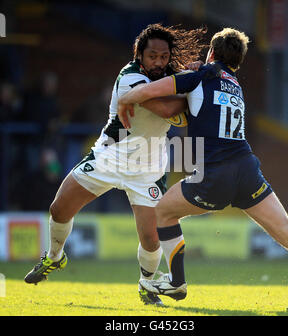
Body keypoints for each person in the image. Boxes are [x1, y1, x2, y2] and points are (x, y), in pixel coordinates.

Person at [24, 23, 208, 306]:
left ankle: (147, 284)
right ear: (139, 55)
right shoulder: (130, 77)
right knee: (59, 209)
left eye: (163, 56)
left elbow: (180, 93)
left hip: (148, 167)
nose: (158, 62)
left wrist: (191, 75)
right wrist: (192, 86)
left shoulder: (172, 77)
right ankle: (55, 257)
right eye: (152, 56)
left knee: (150, 238)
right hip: (110, 157)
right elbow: (167, 109)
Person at [117, 27, 288, 301]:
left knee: (164, 211)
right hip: (247, 170)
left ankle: (177, 282)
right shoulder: (235, 84)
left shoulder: (200, 76)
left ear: (212, 51)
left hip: (215, 173)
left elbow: (154, 90)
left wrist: (126, 98)